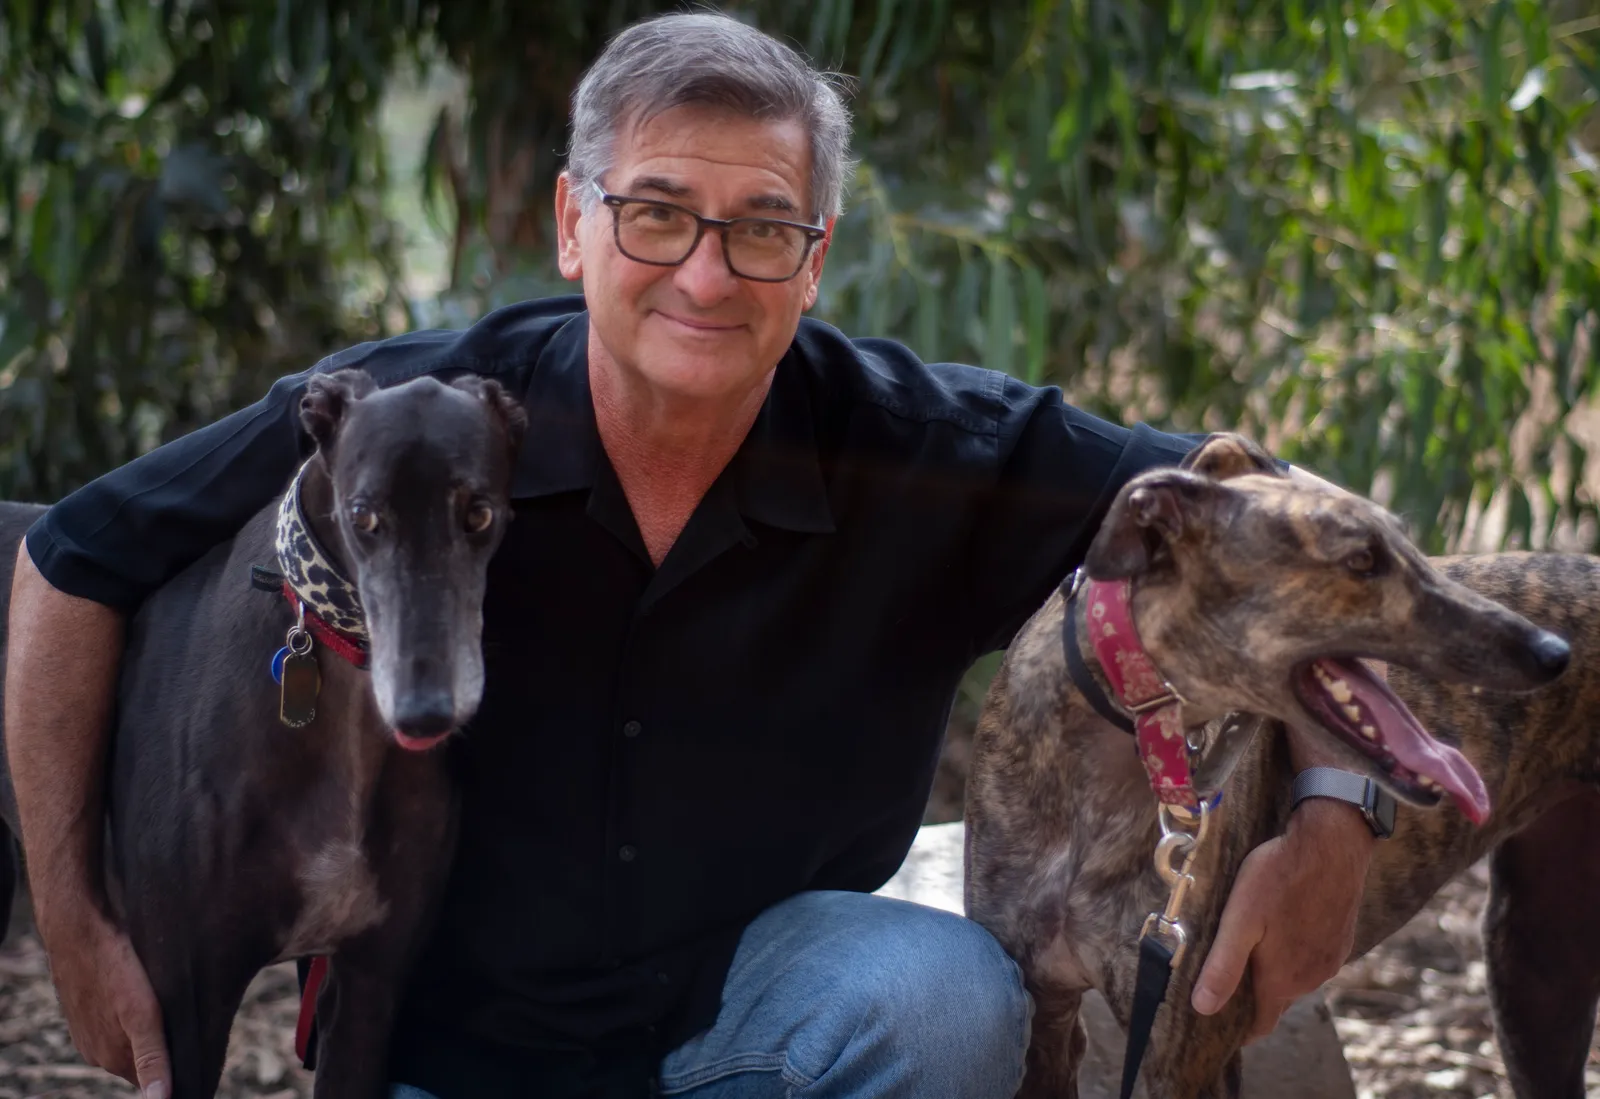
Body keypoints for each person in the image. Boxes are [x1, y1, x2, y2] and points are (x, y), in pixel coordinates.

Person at [4, 12, 1379, 1099]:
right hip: (449, 1054)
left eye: (763, 227)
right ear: (572, 225)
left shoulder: (922, 446)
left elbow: (1283, 532)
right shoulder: (410, 424)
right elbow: (74, 554)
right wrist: (72, 919)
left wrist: (1335, 815)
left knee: (943, 995)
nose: (708, 275)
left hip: (756, 1028)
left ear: (818, 254)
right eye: (657, 212)